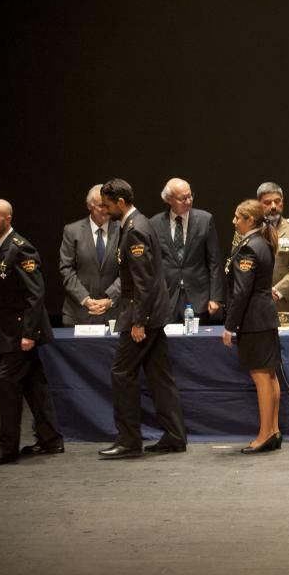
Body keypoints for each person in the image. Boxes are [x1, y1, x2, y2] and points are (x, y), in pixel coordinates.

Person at [99, 178, 187, 459]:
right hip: (154, 314)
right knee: (160, 377)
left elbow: (144, 281)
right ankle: (174, 435)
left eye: (107, 204)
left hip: (143, 316)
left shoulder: (134, 229)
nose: (104, 210)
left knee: (121, 373)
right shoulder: (141, 223)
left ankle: (128, 440)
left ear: (121, 202)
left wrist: (139, 321)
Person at [0, 200, 62, 466]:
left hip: (21, 332)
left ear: (8, 218)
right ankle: (51, 439)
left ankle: (7, 446)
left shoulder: (21, 248)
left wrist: (29, 333)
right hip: (6, 329)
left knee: (6, 381)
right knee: (33, 385)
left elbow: (35, 295)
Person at [222, 200, 282, 454]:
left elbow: (241, 292)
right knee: (269, 376)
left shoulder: (249, 248)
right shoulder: (262, 242)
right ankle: (274, 430)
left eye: (238, 217)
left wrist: (230, 325)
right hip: (264, 317)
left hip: (253, 321)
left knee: (261, 378)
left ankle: (264, 434)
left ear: (250, 220)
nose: (233, 221)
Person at [150, 177, 225, 323]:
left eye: (190, 196)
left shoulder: (205, 220)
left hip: (199, 298)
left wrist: (215, 297)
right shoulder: (154, 223)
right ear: (169, 199)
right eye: (182, 198)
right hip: (168, 298)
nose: (189, 201)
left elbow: (214, 262)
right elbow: (153, 265)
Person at [244, 182, 289, 323]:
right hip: (254, 306)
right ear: (258, 204)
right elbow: (240, 268)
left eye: (277, 201)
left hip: (288, 307)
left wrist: (277, 292)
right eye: (267, 202)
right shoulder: (247, 229)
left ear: (282, 202)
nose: (273, 206)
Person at [59, 184, 121, 326]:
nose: (106, 210)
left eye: (108, 205)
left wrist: (110, 298)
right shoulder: (72, 231)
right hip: (79, 313)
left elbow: (128, 269)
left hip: (114, 313)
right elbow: (66, 269)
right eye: (101, 206)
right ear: (89, 206)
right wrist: (85, 299)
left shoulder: (122, 230)